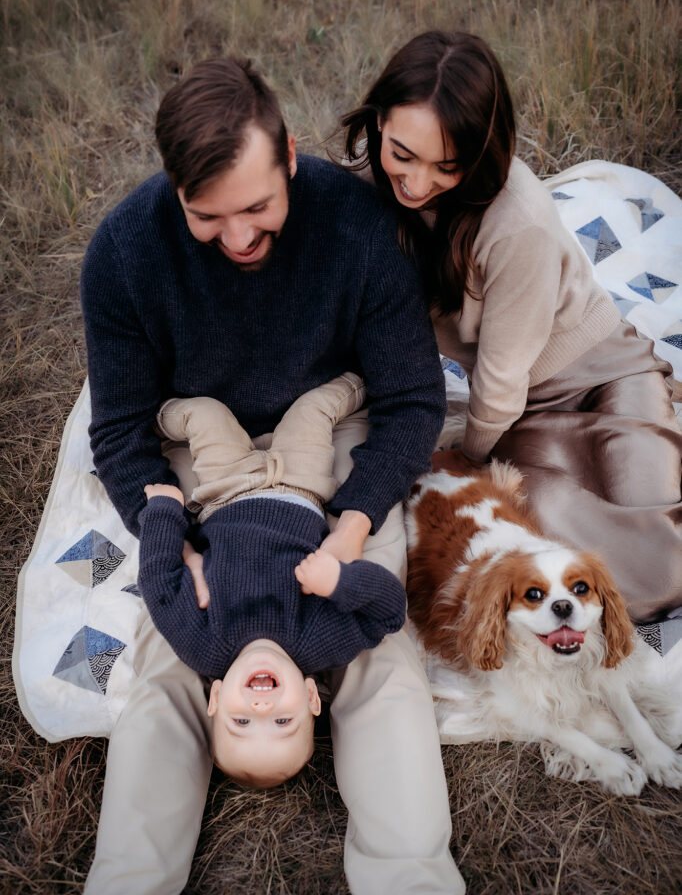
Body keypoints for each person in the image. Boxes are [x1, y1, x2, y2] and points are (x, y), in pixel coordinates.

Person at [80, 56, 465, 893]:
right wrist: (172, 540)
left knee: (379, 652)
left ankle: (409, 877)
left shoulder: (358, 224)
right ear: (173, 190)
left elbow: (408, 399)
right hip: (200, 437)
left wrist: (355, 522)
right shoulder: (122, 252)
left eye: (257, 206)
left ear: (290, 154)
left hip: (334, 425)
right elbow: (117, 430)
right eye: (208, 217)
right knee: (173, 658)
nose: (241, 236)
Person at [343, 28, 682, 625]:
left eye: (446, 166)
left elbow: (499, 384)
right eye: (402, 154)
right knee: (536, 521)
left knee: (655, 554)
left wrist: (467, 457)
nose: (417, 184)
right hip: (517, 412)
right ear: (377, 124)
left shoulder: (515, 222)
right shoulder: (366, 185)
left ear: (480, 155)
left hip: (598, 380)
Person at [138, 374, 406, 788]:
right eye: (283, 720)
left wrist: (163, 512)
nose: (261, 706)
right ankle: (372, 375)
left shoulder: (202, 645)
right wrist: (338, 581)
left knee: (205, 412)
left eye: (240, 720)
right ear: (313, 698)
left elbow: (159, 584)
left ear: (215, 698)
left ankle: (148, 413)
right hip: (302, 485)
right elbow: (389, 613)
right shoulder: (320, 643)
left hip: (225, 490)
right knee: (314, 407)